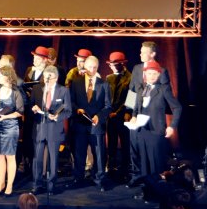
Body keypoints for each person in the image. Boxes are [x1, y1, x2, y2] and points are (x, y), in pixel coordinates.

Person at [127, 42, 171, 187]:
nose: (140, 54)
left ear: (152, 54)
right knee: (134, 147)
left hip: (152, 120)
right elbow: (132, 90)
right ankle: (137, 176)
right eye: (140, 51)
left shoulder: (162, 71)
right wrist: (130, 112)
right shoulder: (137, 68)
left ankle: (152, 179)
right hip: (136, 116)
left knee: (150, 152)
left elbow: (164, 95)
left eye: (143, 52)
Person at [130, 61, 182, 181]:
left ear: (159, 75)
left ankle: (158, 188)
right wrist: (133, 116)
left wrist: (172, 126)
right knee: (144, 165)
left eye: (155, 73)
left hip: (156, 132)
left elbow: (178, 107)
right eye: (149, 73)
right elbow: (137, 106)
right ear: (145, 74)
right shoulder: (142, 88)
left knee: (156, 166)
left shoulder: (164, 89)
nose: (152, 76)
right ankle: (148, 188)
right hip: (142, 131)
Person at [69, 56, 111, 190]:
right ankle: (78, 178)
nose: (92, 70)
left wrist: (99, 116)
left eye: (95, 67)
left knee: (98, 154)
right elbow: (71, 101)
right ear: (84, 67)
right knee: (79, 153)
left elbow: (108, 106)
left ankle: (99, 179)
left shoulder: (104, 84)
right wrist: (77, 109)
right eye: (89, 67)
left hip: (96, 125)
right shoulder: (76, 82)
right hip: (80, 124)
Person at [30, 65, 71, 195]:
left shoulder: (63, 91)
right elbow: (30, 105)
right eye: (45, 77)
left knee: (53, 159)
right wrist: (33, 109)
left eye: (50, 78)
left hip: (54, 128)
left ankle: (51, 185)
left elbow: (68, 111)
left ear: (56, 78)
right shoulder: (37, 89)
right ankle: (37, 184)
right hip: (40, 127)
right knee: (37, 158)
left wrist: (58, 117)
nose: (47, 80)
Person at [0, 65, 24, 196]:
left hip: (10, 126)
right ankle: (1, 183)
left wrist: (6, 117)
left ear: (7, 77)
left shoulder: (16, 92)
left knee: (10, 156)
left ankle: (9, 185)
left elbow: (20, 112)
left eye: (0, 75)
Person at [22, 46, 51, 172]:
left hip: (41, 107)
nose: (34, 60)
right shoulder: (30, 69)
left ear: (45, 60)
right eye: (34, 58)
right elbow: (25, 83)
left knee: (39, 137)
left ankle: (39, 167)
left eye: (37, 58)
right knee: (27, 135)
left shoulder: (49, 72)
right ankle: (27, 163)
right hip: (30, 107)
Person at [105, 52, 132, 180]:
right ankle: (111, 168)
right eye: (111, 65)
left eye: (115, 65)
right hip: (110, 116)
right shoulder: (109, 78)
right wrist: (108, 111)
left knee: (125, 143)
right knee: (111, 143)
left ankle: (125, 169)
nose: (112, 67)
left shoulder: (130, 78)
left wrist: (121, 112)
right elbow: (106, 97)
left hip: (123, 115)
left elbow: (131, 98)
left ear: (122, 64)